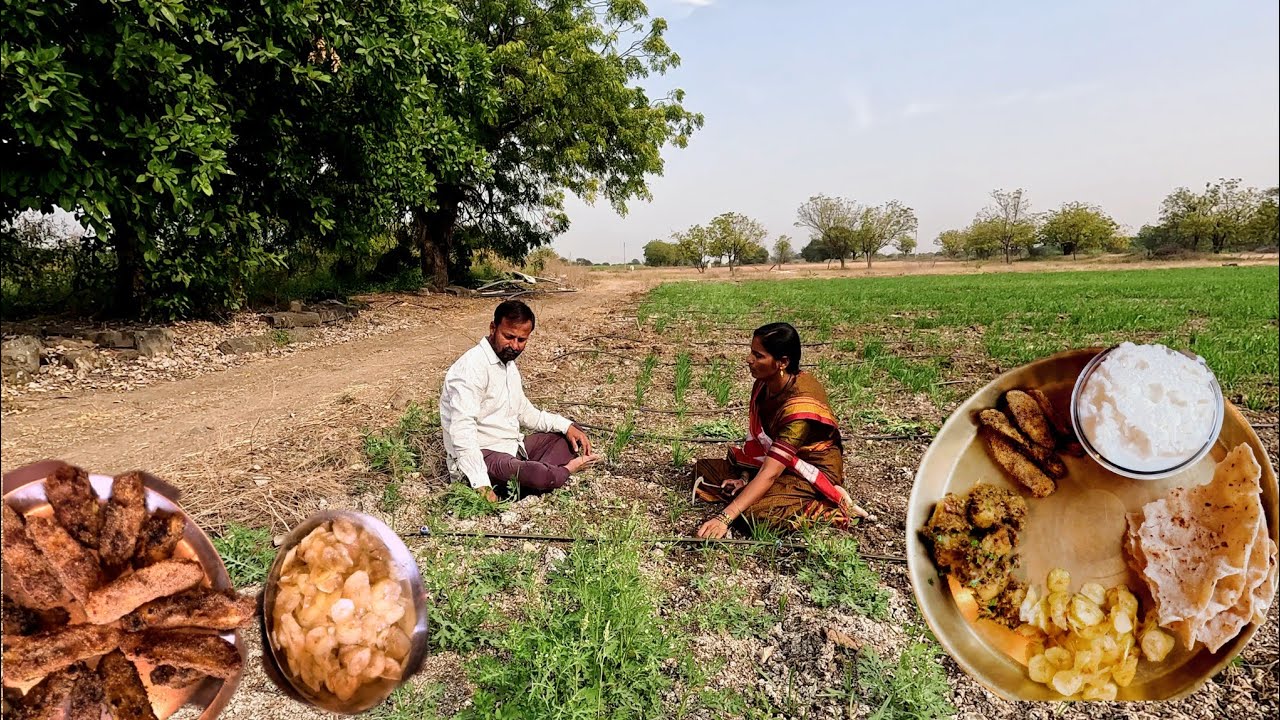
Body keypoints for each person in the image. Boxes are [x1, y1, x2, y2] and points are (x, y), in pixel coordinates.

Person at [693, 322, 869, 539]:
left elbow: (771, 472)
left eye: (758, 355)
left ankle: (829, 506)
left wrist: (724, 518)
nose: (749, 359)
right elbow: (761, 445)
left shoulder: (801, 406)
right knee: (705, 469)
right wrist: (745, 477)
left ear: (782, 362)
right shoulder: (764, 383)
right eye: (751, 352)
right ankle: (754, 492)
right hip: (776, 458)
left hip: (808, 467)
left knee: (754, 516)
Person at [440, 300, 598, 501]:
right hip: (484, 456)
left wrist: (566, 426)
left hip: (513, 449)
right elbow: (462, 430)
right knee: (537, 474)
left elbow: (525, 412)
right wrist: (481, 484)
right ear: (493, 328)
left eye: (521, 340)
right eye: (508, 337)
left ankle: (535, 479)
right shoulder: (471, 368)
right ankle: (564, 471)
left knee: (567, 437)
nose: (514, 346)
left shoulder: (507, 364)